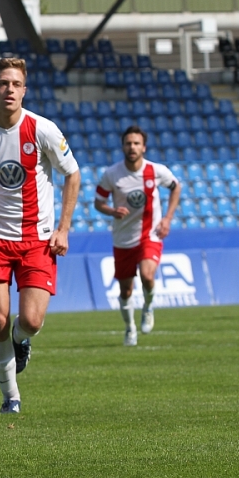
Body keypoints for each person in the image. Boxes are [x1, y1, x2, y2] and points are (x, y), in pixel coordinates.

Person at [0, 57, 80, 415]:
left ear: (24, 90)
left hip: (37, 240)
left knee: (31, 321)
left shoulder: (43, 130)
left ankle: (21, 339)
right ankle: (10, 396)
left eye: (15, 84)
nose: (9, 89)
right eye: (3, 83)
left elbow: (72, 174)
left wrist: (63, 228)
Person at [94, 126, 181, 346]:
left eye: (136, 143)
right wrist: (112, 211)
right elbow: (98, 202)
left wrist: (167, 219)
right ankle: (130, 328)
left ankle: (148, 307)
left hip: (149, 235)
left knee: (147, 275)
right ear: (123, 147)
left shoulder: (156, 170)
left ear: (144, 147)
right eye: (128, 143)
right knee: (126, 290)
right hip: (123, 239)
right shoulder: (112, 174)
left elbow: (176, 187)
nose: (132, 147)